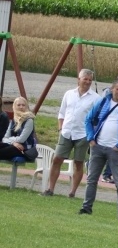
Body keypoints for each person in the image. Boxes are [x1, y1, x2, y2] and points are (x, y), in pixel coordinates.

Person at [79, 77, 118, 220]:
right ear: (112, 89)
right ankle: (86, 207)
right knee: (91, 179)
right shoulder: (103, 102)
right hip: (98, 146)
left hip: (115, 149)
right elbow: (88, 119)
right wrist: (91, 138)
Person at [42, 68, 98, 198]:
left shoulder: (95, 98)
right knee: (57, 159)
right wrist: (61, 128)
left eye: (90, 80)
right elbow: (62, 113)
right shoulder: (69, 94)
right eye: (85, 79)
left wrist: (91, 135)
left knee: (78, 163)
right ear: (79, 79)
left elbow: (96, 119)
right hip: (66, 132)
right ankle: (50, 189)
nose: (88, 82)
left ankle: (72, 192)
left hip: (83, 134)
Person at [100, 74, 118, 184]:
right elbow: (93, 117)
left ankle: (108, 174)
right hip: (107, 135)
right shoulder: (107, 97)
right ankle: (106, 174)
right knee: (107, 153)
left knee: (115, 154)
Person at [0, 97, 36, 161]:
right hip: (14, 146)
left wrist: (11, 140)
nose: (21, 107)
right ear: (14, 107)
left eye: (23, 105)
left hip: (24, 150)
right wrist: (14, 143)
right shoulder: (14, 120)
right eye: (18, 105)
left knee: (7, 150)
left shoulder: (29, 120)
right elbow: (4, 138)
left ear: (26, 107)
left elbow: (21, 139)